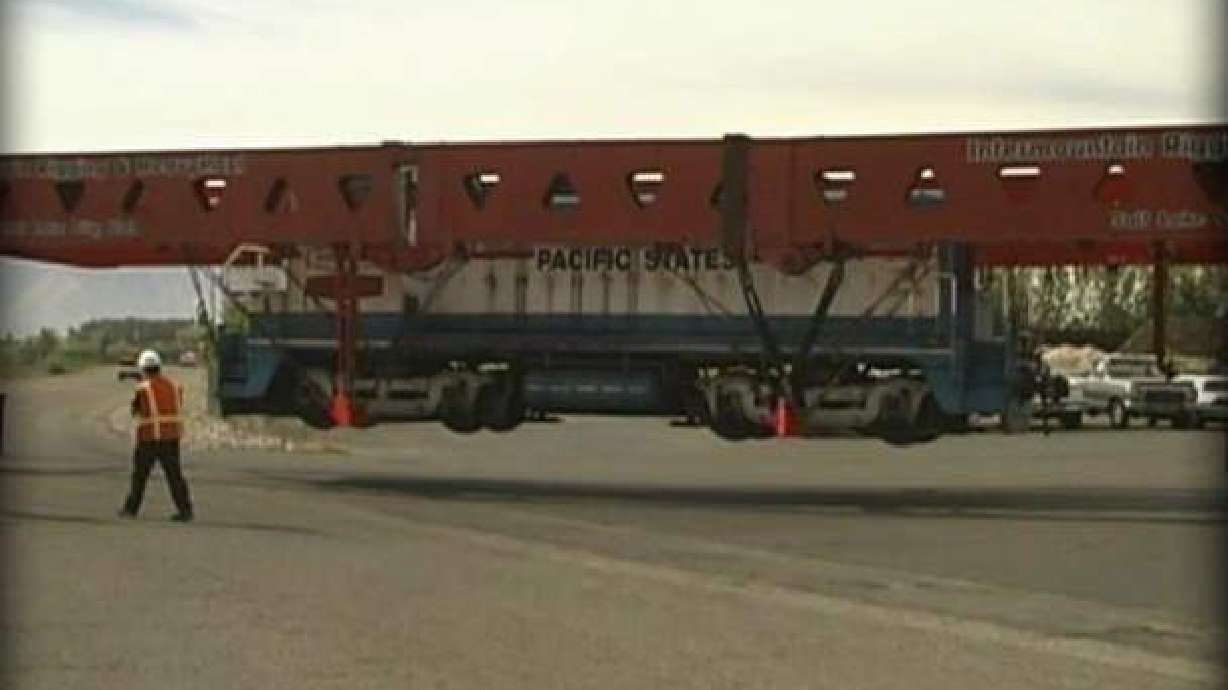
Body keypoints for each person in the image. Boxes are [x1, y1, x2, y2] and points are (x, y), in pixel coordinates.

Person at [118, 349, 194, 522]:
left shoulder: (143, 388)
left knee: (140, 476)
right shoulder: (174, 386)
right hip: (172, 436)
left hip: (149, 438)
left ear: (143, 368)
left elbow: (136, 410)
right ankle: (185, 510)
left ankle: (131, 509)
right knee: (175, 475)